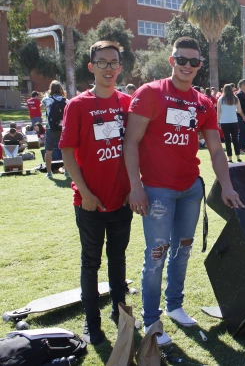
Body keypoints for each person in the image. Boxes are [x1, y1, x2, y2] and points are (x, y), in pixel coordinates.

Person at [124, 36, 243, 346]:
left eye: (194, 61)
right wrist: (135, 186)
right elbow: (131, 142)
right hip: (157, 191)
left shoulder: (203, 103)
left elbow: (216, 150)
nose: (187, 66)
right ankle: (151, 320)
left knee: (183, 250)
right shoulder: (149, 94)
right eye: (182, 59)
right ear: (171, 60)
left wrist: (227, 185)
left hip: (190, 189)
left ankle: (174, 305)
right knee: (157, 254)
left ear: (200, 65)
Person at [59, 40, 133, 345]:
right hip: (89, 203)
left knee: (118, 259)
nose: (109, 68)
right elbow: (66, 152)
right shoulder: (77, 105)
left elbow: (137, 148)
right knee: (91, 263)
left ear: (120, 66)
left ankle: (121, 315)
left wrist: (133, 187)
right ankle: (93, 324)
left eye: (114, 62)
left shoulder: (128, 104)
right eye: (102, 62)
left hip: (122, 200)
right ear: (91, 67)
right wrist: (85, 192)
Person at [41, 80, 68, 178]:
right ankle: (67, 171)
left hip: (50, 128)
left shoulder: (47, 100)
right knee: (64, 151)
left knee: (48, 151)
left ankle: (49, 173)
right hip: (63, 129)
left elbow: (40, 108)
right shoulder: (65, 100)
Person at [218, 83, 245, 163]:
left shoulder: (221, 99)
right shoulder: (235, 98)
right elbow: (239, 110)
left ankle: (229, 158)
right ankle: (238, 156)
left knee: (227, 140)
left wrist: (218, 122)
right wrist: (243, 116)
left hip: (224, 122)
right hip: (234, 121)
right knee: (235, 139)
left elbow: (218, 112)